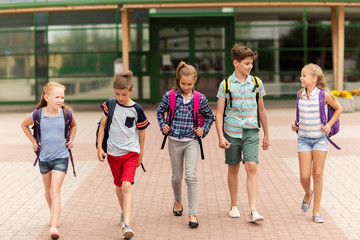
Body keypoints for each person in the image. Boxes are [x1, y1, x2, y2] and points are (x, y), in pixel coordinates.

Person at [215, 44, 270, 222]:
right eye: (246, 63)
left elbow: (261, 110)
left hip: (251, 130)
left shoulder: (256, 83)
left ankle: (253, 210)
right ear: (235, 63)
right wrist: (220, 136)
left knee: (251, 166)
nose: (250, 67)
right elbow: (219, 113)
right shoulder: (226, 84)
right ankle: (234, 205)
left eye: (251, 63)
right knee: (233, 167)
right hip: (231, 131)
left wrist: (267, 134)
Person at [156, 61, 214, 228]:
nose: (186, 87)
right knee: (177, 177)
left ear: (195, 81)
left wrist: (203, 129)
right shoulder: (170, 96)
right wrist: (163, 126)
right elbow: (160, 112)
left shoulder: (200, 98)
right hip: (174, 141)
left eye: (189, 84)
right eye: (183, 83)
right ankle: (178, 200)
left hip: (191, 142)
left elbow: (210, 117)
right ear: (178, 80)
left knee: (191, 176)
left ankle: (193, 214)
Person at [97, 70, 149, 239]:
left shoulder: (137, 109)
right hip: (113, 153)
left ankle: (127, 224)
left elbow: (142, 132)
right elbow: (102, 126)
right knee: (119, 186)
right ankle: (123, 211)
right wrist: (99, 147)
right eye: (117, 94)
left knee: (127, 186)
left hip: (131, 153)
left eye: (124, 94)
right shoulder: (110, 104)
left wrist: (141, 152)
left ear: (131, 91)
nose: (120, 97)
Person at [21, 82, 77, 239]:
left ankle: (54, 226)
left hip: (61, 156)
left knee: (55, 190)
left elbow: (74, 126)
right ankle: (55, 214)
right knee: (47, 190)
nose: (60, 100)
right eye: (57, 97)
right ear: (46, 97)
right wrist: (33, 141)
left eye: (62, 97)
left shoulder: (67, 114)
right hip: (44, 157)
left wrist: (71, 140)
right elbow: (24, 125)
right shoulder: (38, 114)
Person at [291, 63, 342, 223]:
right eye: (301, 75)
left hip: (320, 139)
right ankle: (308, 193)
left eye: (304, 75)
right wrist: (294, 125)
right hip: (304, 139)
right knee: (304, 177)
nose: (301, 78)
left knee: (317, 174)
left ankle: (316, 211)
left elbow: (339, 109)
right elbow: (298, 116)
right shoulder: (300, 94)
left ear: (314, 79)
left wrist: (329, 124)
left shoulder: (323, 95)